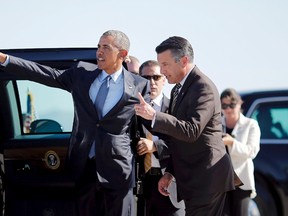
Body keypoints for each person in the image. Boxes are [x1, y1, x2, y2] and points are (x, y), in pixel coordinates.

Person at [0, 30, 150, 216]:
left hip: (118, 171)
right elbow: (45, 73)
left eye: (105, 47)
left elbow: (149, 124)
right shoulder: (81, 74)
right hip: (83, 167)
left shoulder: (139, 85)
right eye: (98, 47)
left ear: (122, 54)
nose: (99, 52)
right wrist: (5, 59)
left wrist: (153, 143)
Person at [135, 36, 235, 216]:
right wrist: (170, 173)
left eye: (165, 65)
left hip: (207, 179)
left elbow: (191, 130)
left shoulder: (203, 87)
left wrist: (155, 116)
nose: (163, 71)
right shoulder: (177, 89)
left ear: (184, 61)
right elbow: (177, 138)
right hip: (192, 181)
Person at [137, 60, 185, 216]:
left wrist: (156, 146)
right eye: (146, 78)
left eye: (156, 77)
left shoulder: (175, 108)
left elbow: (184, 143)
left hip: (170, 182)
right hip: (141, 186)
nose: (151, 82)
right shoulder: (132, 110)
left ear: (164, 80)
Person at [220, 88, 261, 216]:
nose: (228, 109)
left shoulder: (251, 124)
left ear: (239, 103)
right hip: (220, 181)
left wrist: (232, 143)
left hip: (241, 181)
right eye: (224, 105)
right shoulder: (216, 124)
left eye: (232, 105)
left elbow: (252, 151)